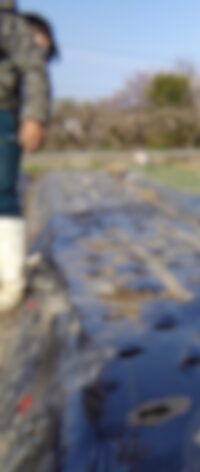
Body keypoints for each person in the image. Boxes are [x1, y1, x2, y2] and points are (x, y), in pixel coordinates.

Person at [0, 0, 50, 313]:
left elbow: (33, 68)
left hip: (3, 112)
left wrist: (33, 116)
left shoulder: (9, 23)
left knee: (3, 191)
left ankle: (10, 278)